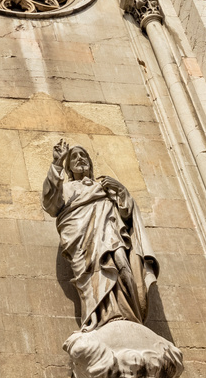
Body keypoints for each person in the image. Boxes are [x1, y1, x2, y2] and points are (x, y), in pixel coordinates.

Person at [42, 141, 158, 332]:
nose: (80, 159)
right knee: (93, 276)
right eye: (74, 157)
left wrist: (121, 191)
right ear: (68, 166)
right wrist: (56, 164)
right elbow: (50, 204)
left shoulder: (104, 187)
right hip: (82, 241)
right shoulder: (67, 189)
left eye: (83, 156)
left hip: (111, 236)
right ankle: (100, 318)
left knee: (122, 265)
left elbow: (128, 215)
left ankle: (128, 312)